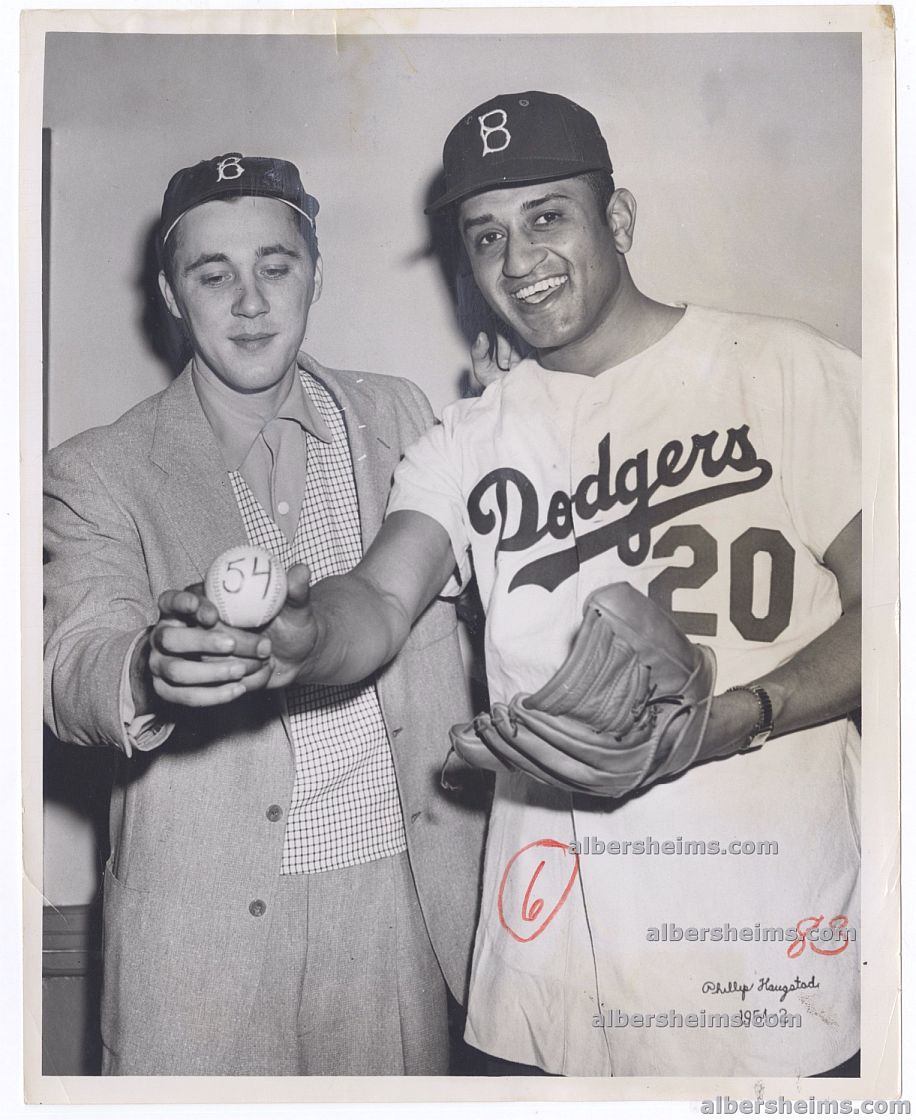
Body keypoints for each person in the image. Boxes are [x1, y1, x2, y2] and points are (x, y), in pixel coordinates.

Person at [159, 92, 862, 1079]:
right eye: (486, 234)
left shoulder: (785, 371)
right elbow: (378, 602)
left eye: (547, 216)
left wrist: (742, 715)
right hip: (548, 979)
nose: (518, 257)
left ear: (617, 221)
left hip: (764, 957)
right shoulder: (468, 438)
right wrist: (295, 638)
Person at [43, 152, 487, 1076]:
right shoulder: (99, 469)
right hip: (199, 944)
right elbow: (71, 661)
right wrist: (144, 669)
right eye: (214, 274)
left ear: (314, 273)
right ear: (172, 296)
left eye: (275, 267)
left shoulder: (402, 415)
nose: (249, 301)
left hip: (395, 914)